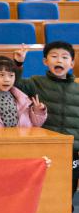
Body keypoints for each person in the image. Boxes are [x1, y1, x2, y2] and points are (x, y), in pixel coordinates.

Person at [13, 41, 78, 198]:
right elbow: (13, 83)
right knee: (45, 190)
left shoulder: (77, 89)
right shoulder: (36, 83)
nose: (59, 60)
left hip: (72, 150)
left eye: (64, 57)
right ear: (45, 61)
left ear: (72, 63)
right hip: (45, 145)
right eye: (54, 56)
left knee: (68, 190)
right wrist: (18, 64)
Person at [0, 55, 48, 128]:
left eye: (11, 75)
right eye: (1, 75)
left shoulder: (23, 99)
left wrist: (38, 112)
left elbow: (36, 126)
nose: (7, 80)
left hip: (20, 138)